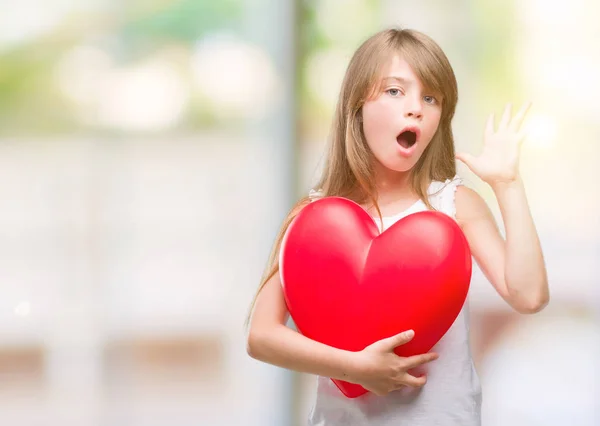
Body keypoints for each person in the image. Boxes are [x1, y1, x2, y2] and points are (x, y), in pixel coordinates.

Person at [244, 27, 549, 426]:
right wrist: (355, 368)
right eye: (394, 91)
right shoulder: (315, 217)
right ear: (358, 105)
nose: (415, 108)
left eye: (430, 97)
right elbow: (261, 336)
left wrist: (507, 185)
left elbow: (529, 296)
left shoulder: (453, 206)